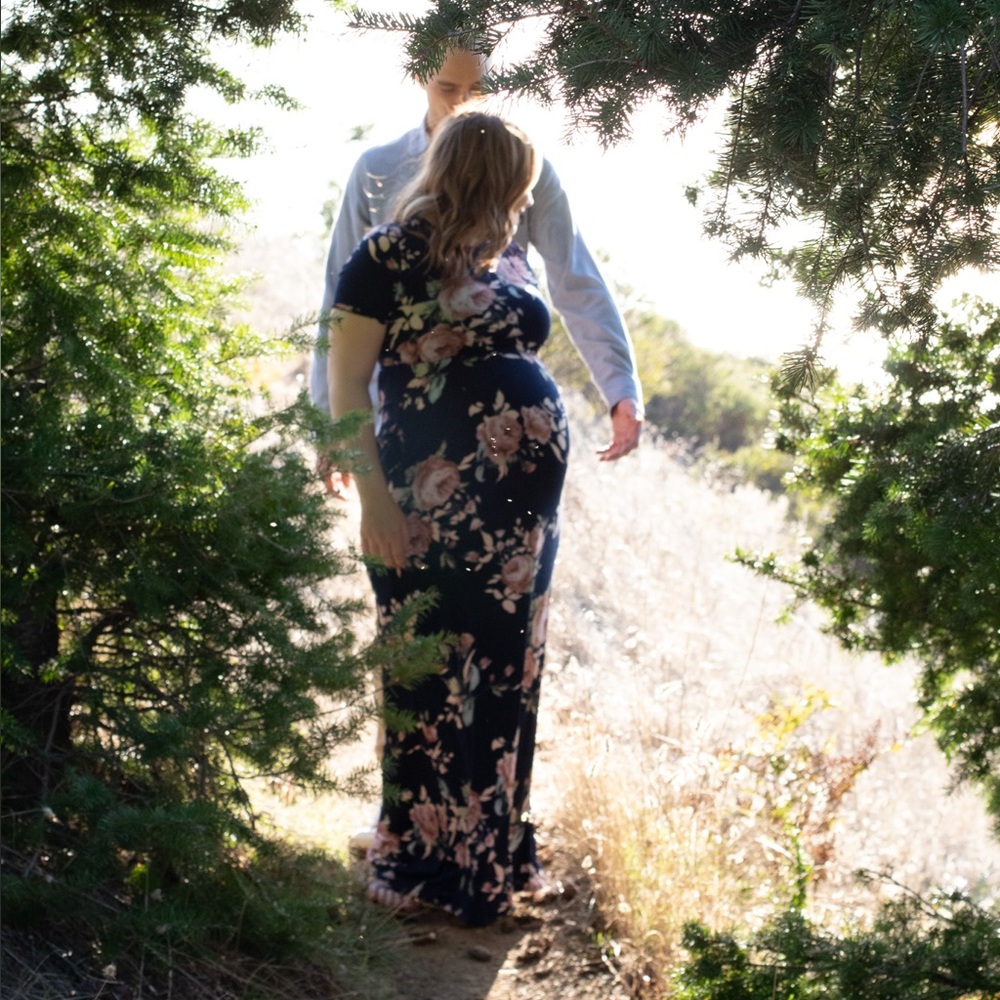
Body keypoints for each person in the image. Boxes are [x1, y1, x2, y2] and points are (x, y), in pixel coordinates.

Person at [328, 111, 582, 926]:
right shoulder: (386, 256)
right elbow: (344, 395)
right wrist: (374, 502)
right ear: (492, 175)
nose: (522, 203)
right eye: (519, 187)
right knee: (425, 669)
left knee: (506, 675)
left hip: (519, 527)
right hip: (425, 504)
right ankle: (418, 859)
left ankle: (489, 857)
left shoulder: (507, 258)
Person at [311, 46, 643, 491]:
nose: (463, 101)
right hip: (411, 423)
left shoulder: (526, 166)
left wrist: (621, 389)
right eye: (448, 88)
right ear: (419, 78)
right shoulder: (378, 168)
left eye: (478, 89)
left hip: (509, 436)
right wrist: (333, 424)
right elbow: (341, 300)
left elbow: (576, 278)